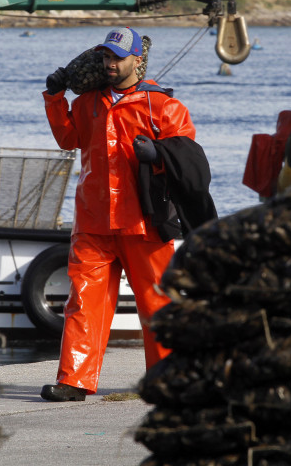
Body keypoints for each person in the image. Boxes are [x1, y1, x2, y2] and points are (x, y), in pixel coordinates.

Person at [41, 26, 214, 402]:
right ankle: (74, 381)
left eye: (117, 57)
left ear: (138, 59)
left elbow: (191, 162)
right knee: (83, 300)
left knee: (156, 301)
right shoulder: (86, 103)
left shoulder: (164, 106)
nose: (110, 64)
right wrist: (55, 97)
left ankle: (167, 378)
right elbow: (69, 140)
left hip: (144, 221)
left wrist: (159, 155)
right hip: (93, 220)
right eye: (105, 57)